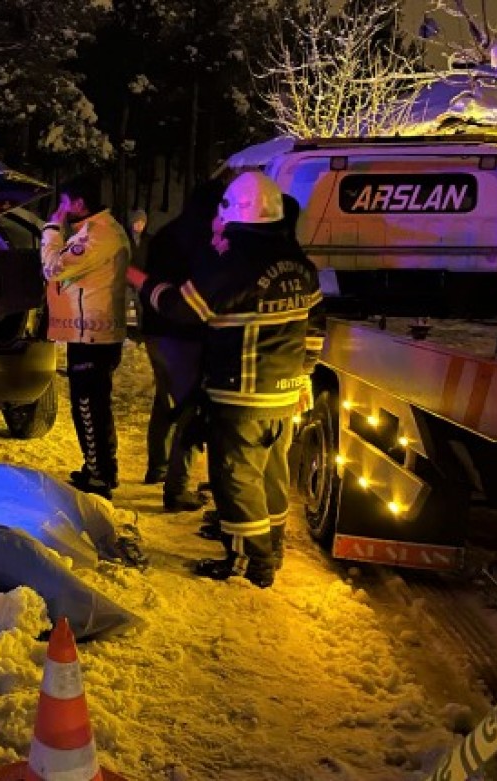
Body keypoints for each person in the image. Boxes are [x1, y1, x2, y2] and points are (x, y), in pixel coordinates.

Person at [128, 172, 323, 588]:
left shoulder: (234, 265)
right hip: (284, 395)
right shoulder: (299, 265)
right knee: (270, 474)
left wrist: (141, 282)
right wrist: (304, 374)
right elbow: (314, 326)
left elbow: (180, 308)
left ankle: (256, 562)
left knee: (235, 478)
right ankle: (271, 543)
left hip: (242, 394)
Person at [43, 176, 132, 499]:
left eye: (65, 201)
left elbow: (54, 268)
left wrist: (51, 229)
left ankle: (99, 475)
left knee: (88, 405)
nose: (61, 208)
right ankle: (100, 468)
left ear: (79, 204)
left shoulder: (97, 235)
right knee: (94, 405)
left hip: (92, 334)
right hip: (93, 332)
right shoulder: (97, 231)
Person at [139, 181, 225, 511]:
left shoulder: (165, 233)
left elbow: (147, 281)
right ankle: (177, 488)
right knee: (191, 408)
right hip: (188, 334)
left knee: (165, 399)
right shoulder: (210, 240)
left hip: (156, 330)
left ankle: (156, 467)